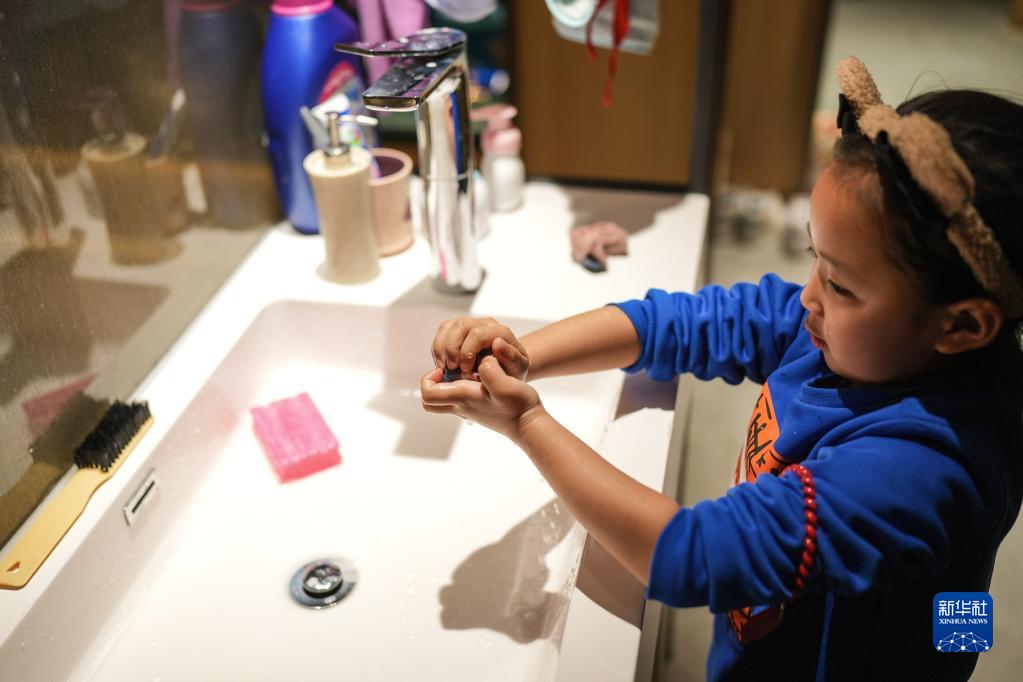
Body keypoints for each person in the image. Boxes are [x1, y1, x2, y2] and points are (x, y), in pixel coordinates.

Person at [419, 57, 1023, 681]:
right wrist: (522, 355)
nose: (808, 295)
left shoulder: (921, 471)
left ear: (962, 326)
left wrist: (526, 424)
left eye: (841, 284)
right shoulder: (854, 336)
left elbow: (694, 555)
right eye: (815, 256)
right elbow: (681, 323)